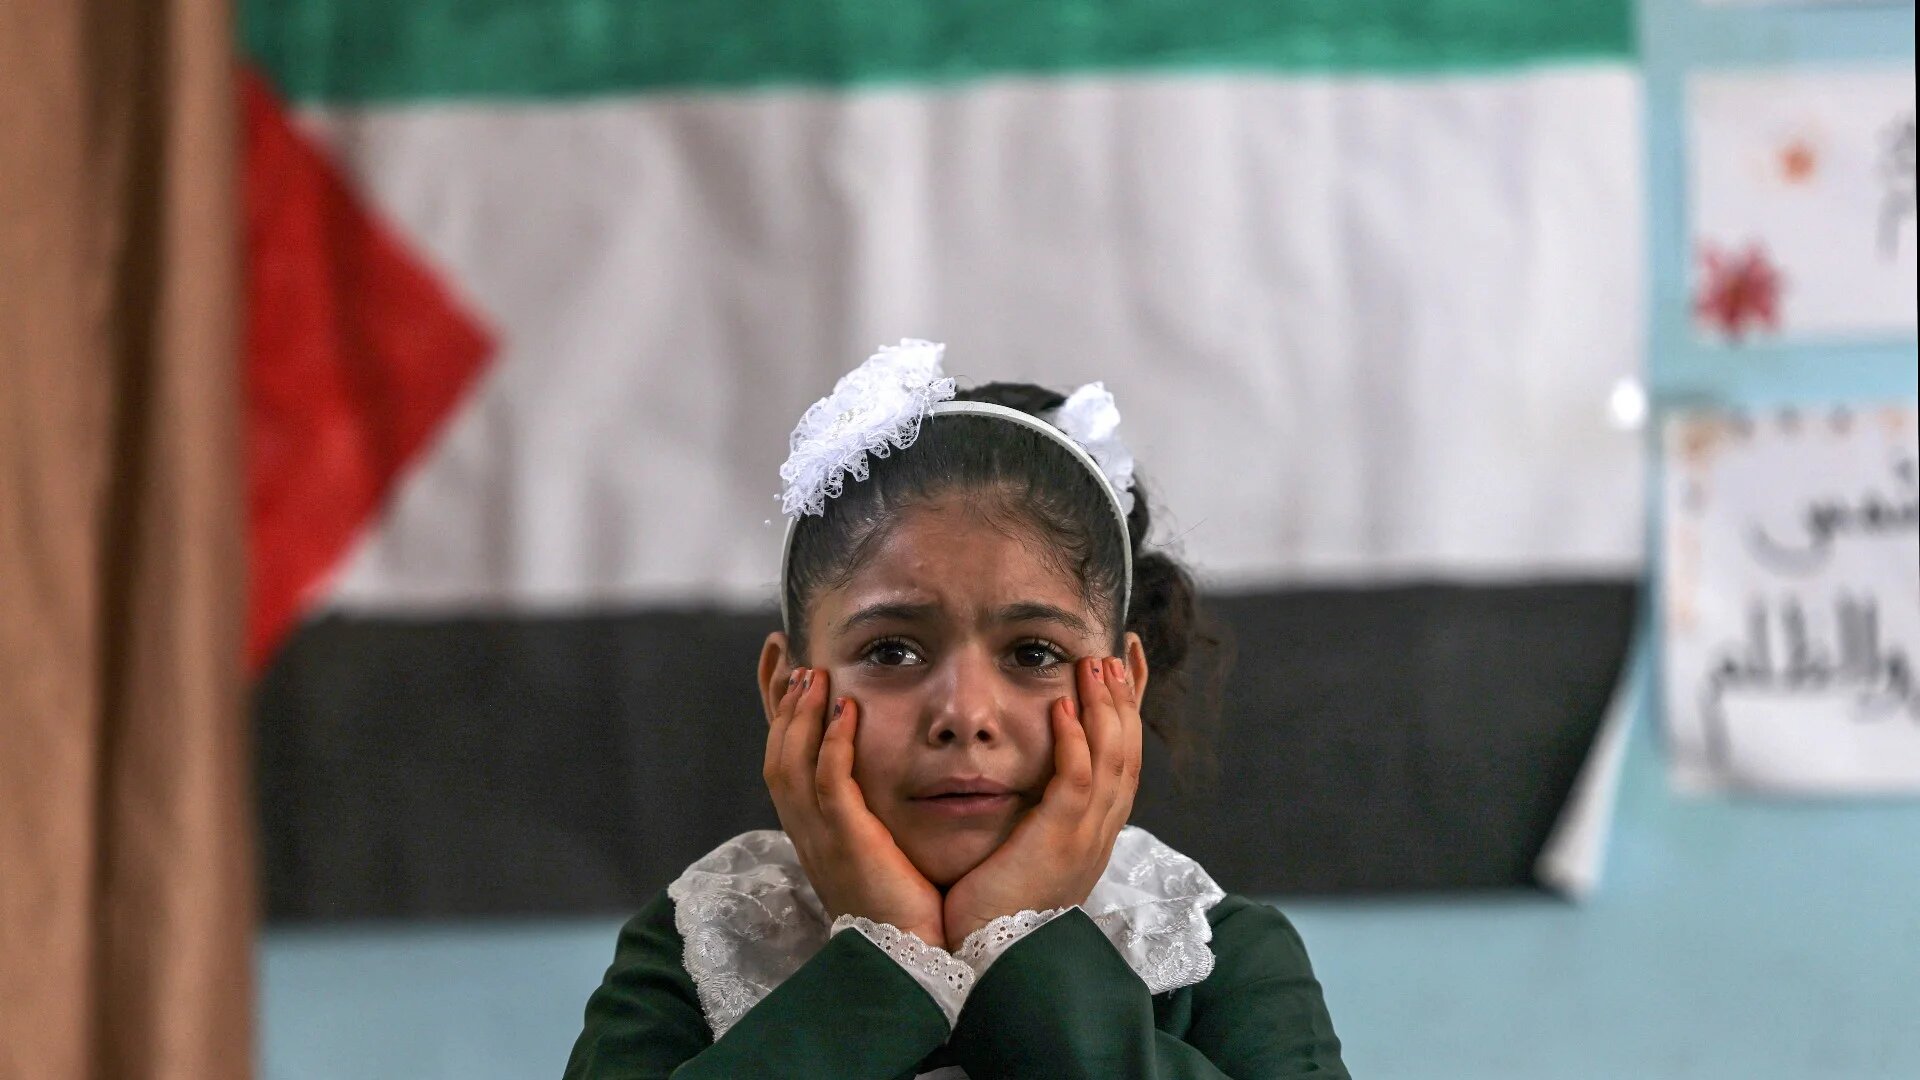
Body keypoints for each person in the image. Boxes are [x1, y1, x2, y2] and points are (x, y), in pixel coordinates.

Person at [563, 341, 1348, 1079]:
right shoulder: (705, 937)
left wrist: (1019, 944)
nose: (964, 714)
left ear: (1125, 687)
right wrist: (889, 958)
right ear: (786, 690)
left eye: (1035, 654)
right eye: (892, 652)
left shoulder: (1217, 950)